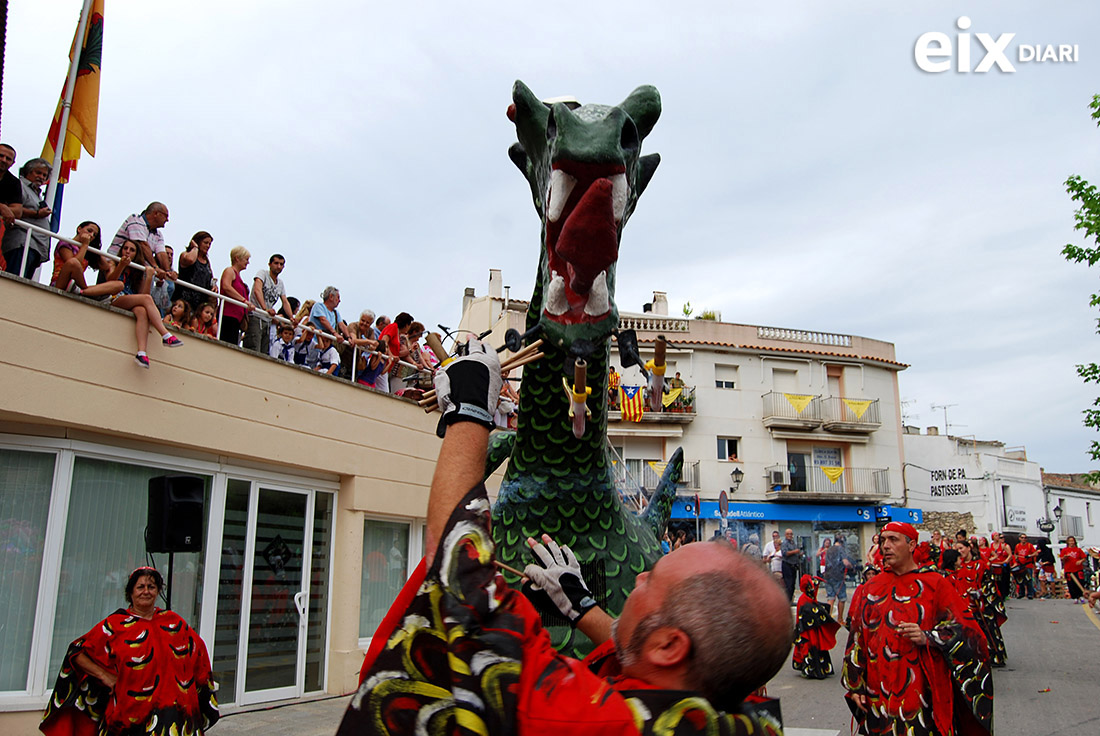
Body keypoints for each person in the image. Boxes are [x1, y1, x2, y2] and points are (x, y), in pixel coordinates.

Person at [336, 341, 792, 736]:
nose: (636, 582)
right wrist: (580, 604)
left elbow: (460, 580)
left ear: (670, 647)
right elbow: (632, 642)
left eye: (650, 583)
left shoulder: (588, 723)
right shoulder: (725, 710)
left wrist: (470, 408)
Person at [842, 521, 992, 736]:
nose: (885, 545)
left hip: (921, 695)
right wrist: (855, 684)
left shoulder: (935, 584)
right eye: (883, 540)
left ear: (912, 545)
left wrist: (927, 637)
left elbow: (970, 634)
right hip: (878, 696)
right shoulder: (870, 588)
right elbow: (857, 638)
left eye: (894, 540)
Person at [40, 567, 218, 736]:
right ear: (130, 592)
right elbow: (77, 652)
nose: (146, 591)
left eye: (151, 587)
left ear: (158, 591)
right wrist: (104, 675)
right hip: (129, 718)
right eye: (140, 587)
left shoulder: (174, 622)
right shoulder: (115, 625)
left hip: (175, 717)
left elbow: (199, 654)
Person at [109, 240, 185, 367]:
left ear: (136, 254)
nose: (127, 251)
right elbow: (110, 281)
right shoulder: (113, 261)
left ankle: (141, 353)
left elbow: (142, 295)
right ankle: (165, 334)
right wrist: (121, 265)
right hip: (115, 297)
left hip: (129, 300)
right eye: (125, 248)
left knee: (142, 311)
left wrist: (149, 277)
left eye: (132, 250)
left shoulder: (137, 270)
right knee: (146, 300)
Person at [1, 158, 52, 277]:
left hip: (35, 245)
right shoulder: (19, 185)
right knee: (14, 282)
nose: (42, 177)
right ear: (27, 172)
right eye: (38, 173)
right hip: (23, 241)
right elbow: (12, 209)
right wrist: (37, 214)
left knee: (23, 285)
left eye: (44, 175)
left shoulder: (36, 193)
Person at [792, 574, 840, 679]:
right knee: (811, 647)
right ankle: (812, 670)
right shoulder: (804, 601)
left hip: (814, 631)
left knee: (817, 647)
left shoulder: (809, 599)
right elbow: (810, 613)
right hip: (809, 633)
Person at [244, 253, 294, 354]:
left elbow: (285, 301)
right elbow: (257, 290)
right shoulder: (262, 274)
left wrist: (291, 317)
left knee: (264, 352)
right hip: (256, 316)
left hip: (267, 321)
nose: (278, 266)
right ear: (269, 264)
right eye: (276, 263)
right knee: (254, 348)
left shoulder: (280, 283)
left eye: (281, 264)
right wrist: (265, 309)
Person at [108, 203, 173, 278]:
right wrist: (155, 268)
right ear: (156, 213)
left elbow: (161, 254)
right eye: (166, 216)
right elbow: (142, 245)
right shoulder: (135, 219)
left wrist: (169, 272)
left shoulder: (158, 235)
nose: (167, 220)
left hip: (132, 272)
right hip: (114, 266)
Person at [219, 246, 252, 345]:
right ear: (237, 258)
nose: (248, 262)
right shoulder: (230, 271)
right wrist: (243, 300)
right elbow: (226, 286)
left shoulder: (239, 277)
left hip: (237, 319)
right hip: (228, 316)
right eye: (246, 259)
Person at [176, 231, 215, 314]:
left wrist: (214, 286)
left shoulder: (207, 262)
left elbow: (209, 278)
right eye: (205, 243)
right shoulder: (186, 255)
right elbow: (190, 260)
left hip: (199, 305)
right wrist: (195, 248)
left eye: (209, 244)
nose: (208, 246)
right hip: (184, 301)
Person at [378, 311, 414, 394]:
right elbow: (384, 341)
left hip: (385, 365)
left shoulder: (397, 332)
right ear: (406, 325)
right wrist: (391, 355)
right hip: (381, 362)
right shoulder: (393, 327)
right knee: (384, 392)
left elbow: (397, 353)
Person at [823, 533, 852, 622]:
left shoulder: (829, 549)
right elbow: (845, 562)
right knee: (842, 598)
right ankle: (840, 619)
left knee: (831, 598)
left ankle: (828, 619)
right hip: (838, 576)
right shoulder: (841, 549)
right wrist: (852, 567)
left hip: (827, 575)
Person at [1060, 536, 1089, 602]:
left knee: (1080, 582)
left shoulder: (1078, 550)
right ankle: (1075, 597)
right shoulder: (1065, 550)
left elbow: (1084, 558)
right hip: (1069, 570)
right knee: (1071, 584)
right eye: (1070, 541)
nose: (1071, 542)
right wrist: (1065, 557)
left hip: (1078, 569)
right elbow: (1062, 559)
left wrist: (1080, 561)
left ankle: (1081, 596)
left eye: (1072, 541)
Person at [0, 143, 23, 224]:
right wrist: (1, 207)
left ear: (13, 163)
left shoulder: (14, 182)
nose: (3, 160)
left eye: (8, 159)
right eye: (1, 155)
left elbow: (18, 212)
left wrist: (4, 208)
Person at [988, 531, 1013, 600]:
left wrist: (1006, 561)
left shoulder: (1002, 545)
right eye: (996, 535)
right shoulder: (991, 545)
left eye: (998, 535)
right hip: (994, 565)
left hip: (1001, 564)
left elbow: (1010, 554)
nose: (997, 537)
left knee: (1002, 580)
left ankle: (1003, 594)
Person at [780, 528, 803, 602]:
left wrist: (799, 554)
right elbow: (785, 553)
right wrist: (795, 551)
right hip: (787, 565)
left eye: (791, 534)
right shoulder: (784, 543)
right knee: (788, 585)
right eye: (788, 534)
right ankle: (787, 601)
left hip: (794, 565)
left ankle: (790, 600)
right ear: (785, 535)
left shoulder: (793, 543)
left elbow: (796, 553)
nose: (790, 535)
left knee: (793, 584)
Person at [1013, 532, 1038, 599]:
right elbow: (1015, 554)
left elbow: (1035, 553)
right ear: (1019, 538)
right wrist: (1016, 559)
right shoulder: (1017, 546)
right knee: (1020, 580)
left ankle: (1030, 594)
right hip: (1021, 565)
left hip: (1028, 565)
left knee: (1028, 579)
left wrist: (1029, 556)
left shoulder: (1029, 545)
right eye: (1022, 538)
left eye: (1025, 538)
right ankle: (1022, 593)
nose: (1024, 539)